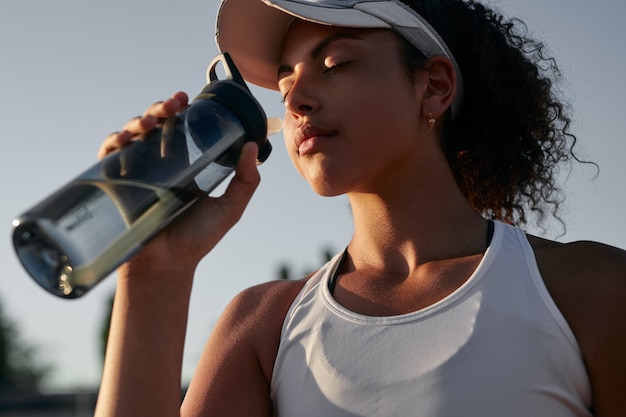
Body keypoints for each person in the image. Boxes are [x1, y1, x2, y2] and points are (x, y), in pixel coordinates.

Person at [94, 0, 626, 416]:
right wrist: (152, 274)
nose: (297, 97)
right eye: (284, 83)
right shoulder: (262, 327)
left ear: (434, 87)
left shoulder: (589, 290)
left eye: (335, 64)